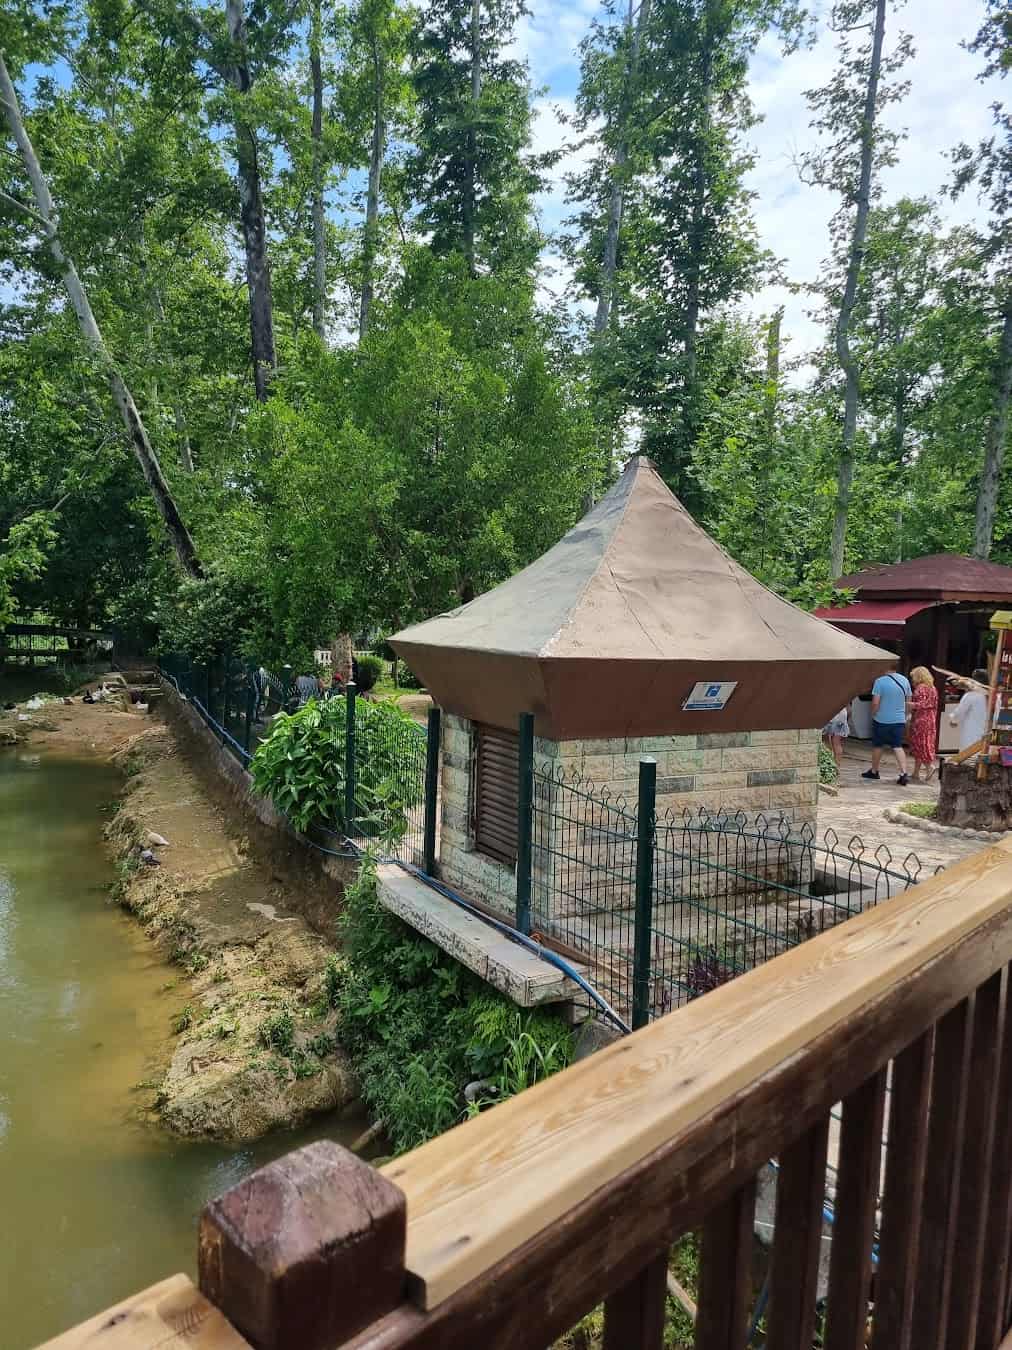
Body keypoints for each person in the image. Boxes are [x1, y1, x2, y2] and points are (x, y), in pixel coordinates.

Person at [862, 662, 912, 785]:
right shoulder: (904, 680)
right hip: (899, 719)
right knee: (897, 746)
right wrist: (905, 715)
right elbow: (909, 701)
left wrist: (873, 714)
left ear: (885, 667)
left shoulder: (880, 681)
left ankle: (874, 771)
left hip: (881, 719)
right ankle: (903, 773)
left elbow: (875, 702)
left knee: (878, 745)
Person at [908, 666, 939, 783]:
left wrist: (911, 705)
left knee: (920, 745)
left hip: (921, 719)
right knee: (926, 743)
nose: (912, 680)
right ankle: (916, 773)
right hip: (931, 720)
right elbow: (933, 704)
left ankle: (929, 767)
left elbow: (922, 704)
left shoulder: (920, 688)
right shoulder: (933, 688)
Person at [950, 667, 990, 757]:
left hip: (971, 734)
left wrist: (953, 720)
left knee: (968, 759)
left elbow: (959, 712)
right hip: (988, 735)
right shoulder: (994, 697)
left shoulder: (971, 695)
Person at [822, 706, 849, 770]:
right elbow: (849, 709)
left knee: (826, 741)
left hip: (830, 714)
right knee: (837, 743)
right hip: (842, 714)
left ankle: (829, 765)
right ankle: (837, 766)